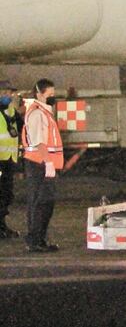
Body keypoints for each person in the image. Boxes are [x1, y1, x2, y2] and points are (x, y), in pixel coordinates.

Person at [21, 78, 63, 252]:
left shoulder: (44, 112)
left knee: (44, 203)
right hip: (39, 164)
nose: (52, 97)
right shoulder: (38, 113)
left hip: (41, 163)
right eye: (50, 94)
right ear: (39, 93)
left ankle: (39, 239)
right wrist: (48, 163)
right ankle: (35, 241)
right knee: (41, 203)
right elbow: (39, 143)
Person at [0, 81, 25, 238]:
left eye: (10, 93)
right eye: (5, 93)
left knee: (6, 195)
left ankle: (2, 226)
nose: (8, 96)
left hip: (8, 160)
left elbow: (19, 130)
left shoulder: (11, 111)